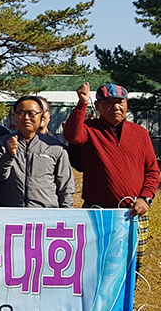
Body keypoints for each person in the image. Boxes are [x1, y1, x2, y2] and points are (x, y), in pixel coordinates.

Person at [63, 82, 159, 214]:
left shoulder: (140, 133)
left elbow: (152, 170)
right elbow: (72, 135)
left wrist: (145, 197)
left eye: (120, 102)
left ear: (127, 104)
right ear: (97, 106)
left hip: (133, 210)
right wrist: (82, 103)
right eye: (108, 103)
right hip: (96, 209)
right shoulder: (89, 129)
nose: (116, 107)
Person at [0, 95, 74, 208]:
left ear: (41, 117)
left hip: (46, 212)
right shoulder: (2, 142)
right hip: (12, 212)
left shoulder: (55, 146)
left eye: (32, 113)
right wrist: (9, 155)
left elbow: (65, 185)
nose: (26, 118)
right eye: (21, 113)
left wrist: (68, 211)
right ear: (14, 117)